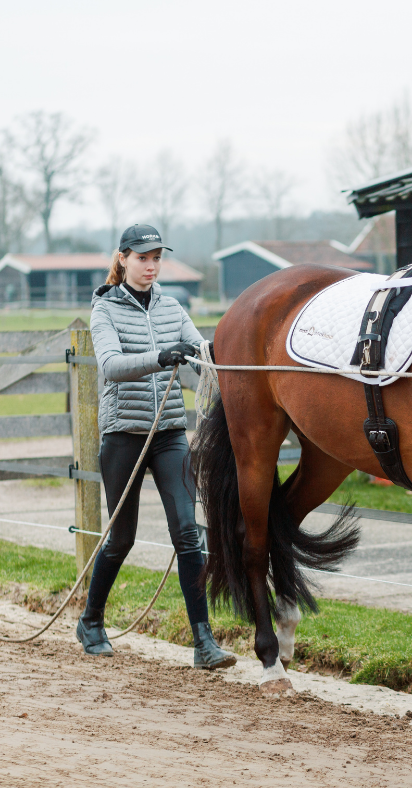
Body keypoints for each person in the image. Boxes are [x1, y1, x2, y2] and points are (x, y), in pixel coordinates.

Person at [76, 223, 236, 670]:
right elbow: (109, 367)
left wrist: (217, 353)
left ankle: (204, 643)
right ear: (123, 258)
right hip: (123, 436)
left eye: (157, 258)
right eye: (143, 257)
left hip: (168, 434)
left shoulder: (171, 306)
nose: (151, 265)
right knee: (121, 538)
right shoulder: (104, 309)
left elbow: (199, 350)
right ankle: (90, 620)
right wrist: (161, 358)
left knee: (188, 532)